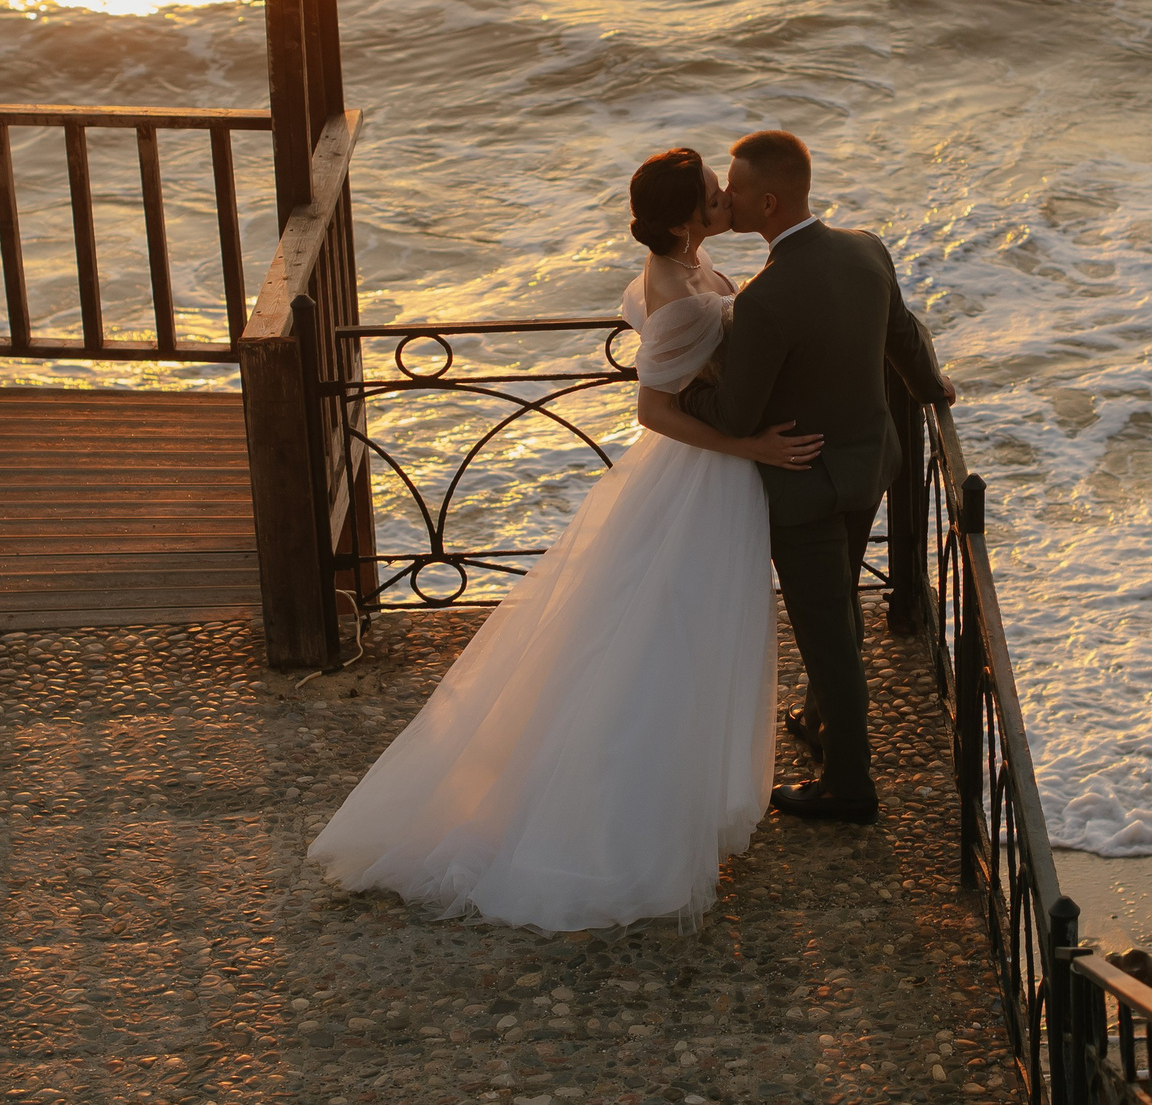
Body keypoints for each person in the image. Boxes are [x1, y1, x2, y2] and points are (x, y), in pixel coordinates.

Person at [306, 148, 822, 930]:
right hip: (697, 480)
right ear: (685, 221)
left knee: (684, 634)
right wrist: (752, 449)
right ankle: (619, 826)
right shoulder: (680, 294)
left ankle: (674, 794)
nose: (726, 203)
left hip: (703, 483)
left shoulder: (689, 262)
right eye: (714, 197)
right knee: (666, 641)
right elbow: (655, 411)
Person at [681, 130, 954, 825]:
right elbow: (903, 336)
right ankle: (815, 718)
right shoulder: (865, 248)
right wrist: (935, 389)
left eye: (734, 192)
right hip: (872, 463)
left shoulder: (766, 299)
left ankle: (849, 784)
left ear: (766, 202)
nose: (723, 200)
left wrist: (677, 390)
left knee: (827, 632)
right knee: (839, 603)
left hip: (806, 487)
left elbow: (737, 415)